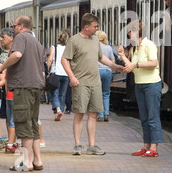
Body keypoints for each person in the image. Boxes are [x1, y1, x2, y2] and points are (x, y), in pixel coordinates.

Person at [61, 13, 124, 156]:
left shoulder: (95, 40)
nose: (97, 29)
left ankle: (92, 145)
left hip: (95, 82)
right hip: (80, 83)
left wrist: (115, 67)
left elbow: (101, 58)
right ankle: (77, 145)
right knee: (79, 114)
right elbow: (64, 60)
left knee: (93, 115)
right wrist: (72, 77)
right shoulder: (74, 40)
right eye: (95, 26)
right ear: (86, 27)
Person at [0, 16, 45, 171]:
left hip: (23, 86)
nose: (13, 28)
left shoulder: (21, 38)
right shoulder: (36, 42)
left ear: (21, 26)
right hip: (36, 86)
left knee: (23, 124)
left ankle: (26, 162)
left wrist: (2, 67)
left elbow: (17, 55)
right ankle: (37, 160)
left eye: (14, 25)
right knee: (32, 124)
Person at [117, 19, 163, 157]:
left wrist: (136, 65)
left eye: (129, 31)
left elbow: (154, 63)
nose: (128, 34)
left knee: (152, 116)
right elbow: (132, 66)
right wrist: (121, 56)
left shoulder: (149, 45)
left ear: (136, 32)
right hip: (140, 84)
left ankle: (154, 147)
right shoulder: (134, 48)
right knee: (143, 117)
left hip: (152, 84)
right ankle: (146, 145)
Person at [0, 27, 20, 154]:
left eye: (3, 37)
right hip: (11, 92)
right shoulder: (12, 54)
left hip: (10, 92)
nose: (1, 40)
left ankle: (11, 142)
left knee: (11, 118)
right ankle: (11, 143)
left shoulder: (14, 54)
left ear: (11, 38)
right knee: (11, 118)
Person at [47, 29, 71, 121]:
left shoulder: (55, 47)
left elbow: (50, 59)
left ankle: (58, 110)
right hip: (66, 74)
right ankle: (59, 111)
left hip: (56, 73)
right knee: (62, 94)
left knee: (55, 93)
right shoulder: (69, 48)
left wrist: (47, 70)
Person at [96, 31, 115, 122]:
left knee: (98, 93)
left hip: (98, 71)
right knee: (106, 93)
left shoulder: (95, 47)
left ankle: (100, 115)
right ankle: (106, 113)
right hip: (107, 71)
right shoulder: (109, 48)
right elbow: (113, 61)